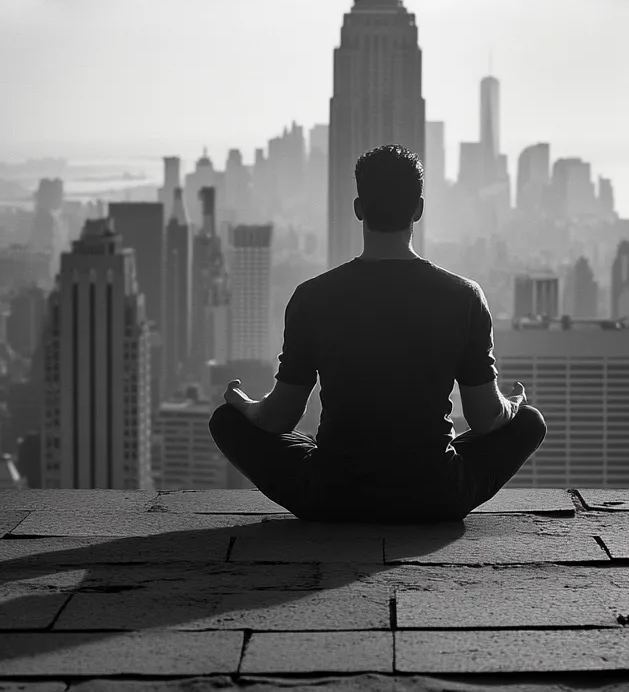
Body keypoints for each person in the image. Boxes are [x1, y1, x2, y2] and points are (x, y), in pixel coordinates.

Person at [209, 143, 546, 522]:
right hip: (436, 493)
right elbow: (486, 419)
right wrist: (513, 405)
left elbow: (278, 419)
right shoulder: (464, 297)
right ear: (418, 209)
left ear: (358, 209)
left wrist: (246, 406)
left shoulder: (313, 297)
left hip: (332, 493)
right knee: (530, 421)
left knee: (226, 421)